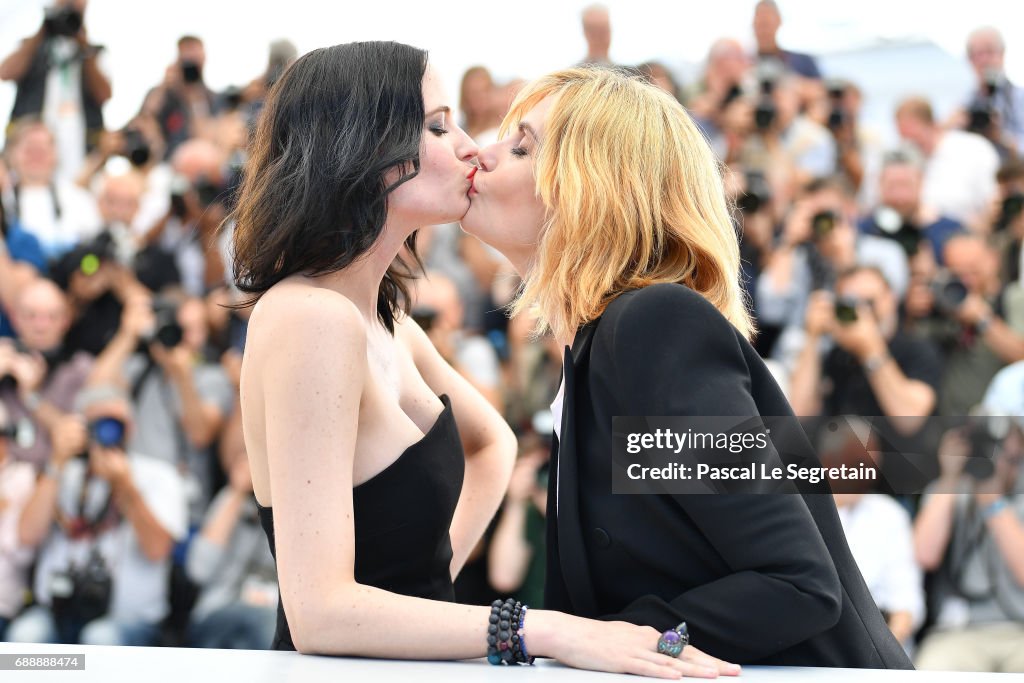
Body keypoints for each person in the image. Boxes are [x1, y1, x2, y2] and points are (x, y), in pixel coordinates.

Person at [229, 42, 736, 679]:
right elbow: (319, 612)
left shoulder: (390, 325)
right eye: (440, 125)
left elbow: (492, 443)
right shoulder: (310, 316)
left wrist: (421, 603)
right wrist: (535, 629)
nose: (471, 145)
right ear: (366, 147)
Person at [460, 65, 913, 669]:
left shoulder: (653, 327)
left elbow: (796, 585)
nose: (482, 156)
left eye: (521, 147)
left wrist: (644, 642)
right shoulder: (596, 349)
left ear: (593, 187)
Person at [0, 0, 111, 183]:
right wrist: (43, 28)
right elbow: (5, 73)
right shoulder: (32, 46)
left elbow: (104, 94)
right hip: (31, 153)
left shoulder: (94, 52)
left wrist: (83, 43)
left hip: (79, 154)